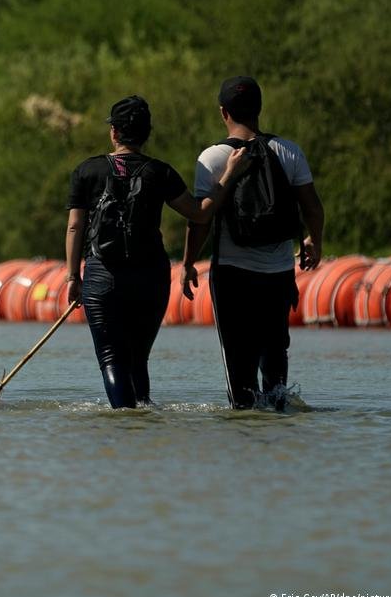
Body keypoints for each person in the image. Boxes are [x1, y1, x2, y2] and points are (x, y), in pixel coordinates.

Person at [66, 95, 249, 408]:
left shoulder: (87, 171)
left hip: (102, 276)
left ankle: (125, 420)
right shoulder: (160, 172)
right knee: (138, 358)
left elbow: (75, 227)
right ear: (146, 133)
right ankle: (144, 420)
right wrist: (229, 173)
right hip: (151, 278)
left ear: (113, 132)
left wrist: (72, 276)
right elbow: (199, 213)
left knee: (113, 359)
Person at [181, 76, 325, 410]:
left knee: (238, 365)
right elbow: (313, 208)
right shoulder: (288, 151)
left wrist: (188, 264)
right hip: (277, 272)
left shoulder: (214, 157)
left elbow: (200, 220)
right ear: (259, 109)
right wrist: (314, 242)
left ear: (223, 112)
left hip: (233, 274)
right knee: (275, 358)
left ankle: (245, 431)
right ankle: (277, 420)